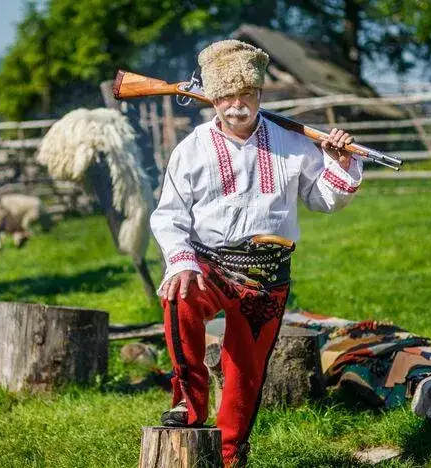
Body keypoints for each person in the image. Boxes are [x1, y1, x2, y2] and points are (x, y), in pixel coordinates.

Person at [149, 39, 363, 467]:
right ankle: (189, 404)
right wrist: (181, 260)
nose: (236, 106)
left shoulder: (293, 142)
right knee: (177, 296)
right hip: (208, 263)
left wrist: (339, 162)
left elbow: (323, 199)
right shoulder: (192, 148)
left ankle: (229, 456)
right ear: (212, 98)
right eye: (226, 97)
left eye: (245, 95)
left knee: (245, 373)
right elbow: (168, 214)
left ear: (259, 94)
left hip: (267, 275)